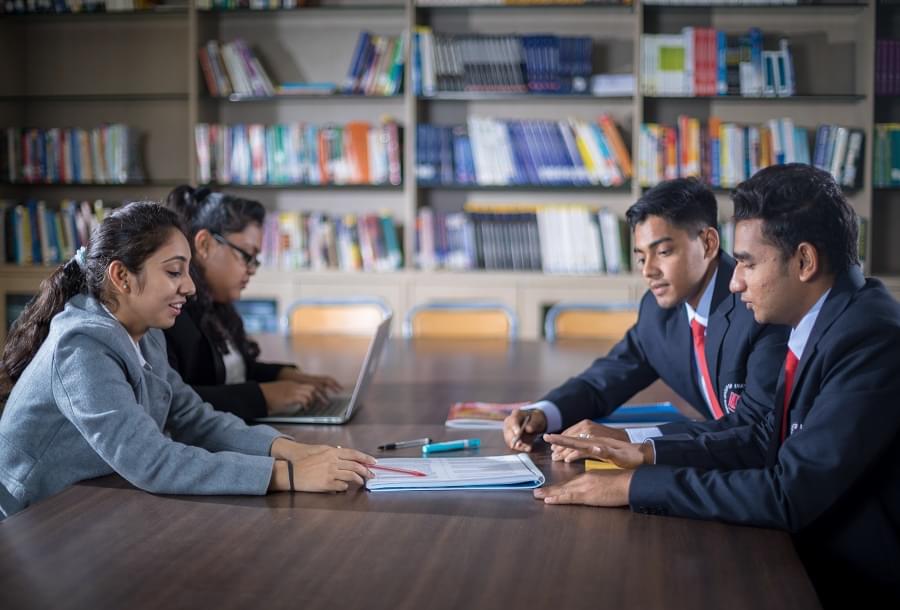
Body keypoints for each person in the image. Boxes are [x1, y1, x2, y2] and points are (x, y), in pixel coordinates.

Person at [537, 164, 900, 605]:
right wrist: (644, 452)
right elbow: (761, 436)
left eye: (747, 262)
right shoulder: (825, 321)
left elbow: (787, 493)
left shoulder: (869, 339)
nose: (735, 279)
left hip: (850, 578)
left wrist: (631, 486)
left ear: (804, 261)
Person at [0, 202, 374, 518]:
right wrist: (287, 475)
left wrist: (292, 450)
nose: (191, 287)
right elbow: (151, 461)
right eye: (173, 271)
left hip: (89, 504)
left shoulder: (146, 333)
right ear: (122, 276)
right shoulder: (81, 348)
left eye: (188, 272)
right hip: (34, 520)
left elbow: (193, 418)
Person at [503, 178, 788, 457]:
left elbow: (754, 428)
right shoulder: (657, 311)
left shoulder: (758, 306)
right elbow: (603, 382)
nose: (648, 270)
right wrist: (543, 413)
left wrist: (630, 440)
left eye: (663, 252)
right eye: (641, 257)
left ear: (708, 243)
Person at [163, 186, 340, 421]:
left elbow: (234, 373)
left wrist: (283, 375)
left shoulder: (215, 308)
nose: (252, 269)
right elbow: (174, 401)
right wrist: (263, 397)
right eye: (247, 255)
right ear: (204, 245)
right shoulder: (172, 314)